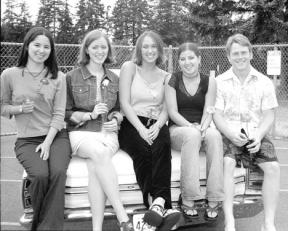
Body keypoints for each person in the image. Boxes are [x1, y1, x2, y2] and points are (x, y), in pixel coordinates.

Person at [0, 27, 71, 231]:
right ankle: (41, 224)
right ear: (27, 46)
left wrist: (48, 142)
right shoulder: (9, 75)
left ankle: (48, 227)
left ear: (51, 50)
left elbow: (59, 114)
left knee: (58, 173)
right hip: (27, 140)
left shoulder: (59, 77)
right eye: (37, 45)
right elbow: (2, 107)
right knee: (39, 175)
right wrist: (19, 109)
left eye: (46, 46)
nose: (41, 50)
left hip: (56, 136)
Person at [65, 30, 133, 231]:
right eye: (95, 47)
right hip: (81, 133)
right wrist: (88, 115)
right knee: (99, 154)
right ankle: (122, 216)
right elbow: (66, 112)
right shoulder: (71, 76)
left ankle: (97, 228)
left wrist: (116, 119)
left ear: (109, 50)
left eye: (104, 47)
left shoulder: (114, 78)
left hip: (108, 134)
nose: (100, 51)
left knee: (96, 167)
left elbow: (119, 109)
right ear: (87, 49)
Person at [213, 33, 280, 231]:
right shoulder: (220, 81)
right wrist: (231, 134)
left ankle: (268, 223)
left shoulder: (264, 82)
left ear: (251, 54)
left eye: (244, 52)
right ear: (228, 57)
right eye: (235, 53)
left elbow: (268, 115)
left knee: (274, 168)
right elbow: (217, 115)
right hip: (229, 134)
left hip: (256, 134)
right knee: (228, 163)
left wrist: (258, 136)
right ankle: (229, 221)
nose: (240, 57)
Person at [118, 30, 180, 231]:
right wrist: (141, 129)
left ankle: (156, 207)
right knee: (143, 151)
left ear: (159, 50)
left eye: (154, 46)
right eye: (145, 46)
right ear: (139, 49)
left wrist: (158, 125)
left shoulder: (166, 76)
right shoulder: (129, 68)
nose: (149, 50)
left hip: (157, 122)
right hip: (132, 122)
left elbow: (166, 108)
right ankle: (160, 202)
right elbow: (125, 103)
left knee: (162, 147)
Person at [165, 42, 224, 220]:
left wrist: (204, 127)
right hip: (179, 129)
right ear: (178, 62)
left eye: (191, 58)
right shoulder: (172, 80)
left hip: (202, 126)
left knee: (215, 136)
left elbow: (209, 109)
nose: (187, 62)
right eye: (182, 59)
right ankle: (188, 198)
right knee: (191, 135)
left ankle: (214, 198)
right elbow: (172, 112)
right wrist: (192, 127)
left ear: (199, 59)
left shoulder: (209, 81)